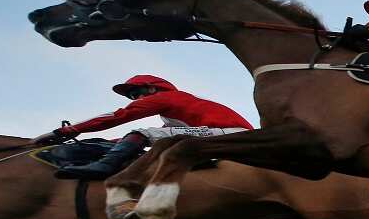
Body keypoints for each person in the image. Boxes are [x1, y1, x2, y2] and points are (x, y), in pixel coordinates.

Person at [33, 74, 253, 180]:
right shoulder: (174, 114)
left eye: (136, 93)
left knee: (142, 132)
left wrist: (64, 131)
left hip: (232, 134)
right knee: (146, 137)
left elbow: (119, 116)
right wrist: (108, 143)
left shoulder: (170, 97)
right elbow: (141, 141)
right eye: (131, 95)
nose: (134, 98)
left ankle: (103, 168)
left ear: (152, 89)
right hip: (226, 135)